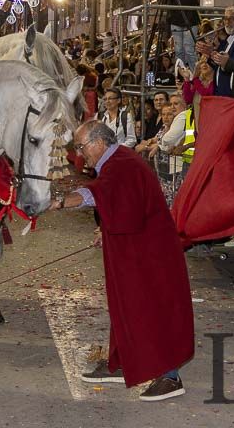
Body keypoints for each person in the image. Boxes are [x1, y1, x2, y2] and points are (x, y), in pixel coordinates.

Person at [56, 121, 193, 401]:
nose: (81, 154)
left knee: (151, 308)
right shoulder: (117, 161)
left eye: (82, 147)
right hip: (137, 247)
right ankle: (126, 362)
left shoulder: (121, 164)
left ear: (98, 143)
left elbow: (100, 194)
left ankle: (170, 376)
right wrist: (104, 229)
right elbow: (119, 201)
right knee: (126, 306)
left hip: (148, 252)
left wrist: (60, 202)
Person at [156, 0, 200, 71]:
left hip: (191, 20)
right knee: (179, 50)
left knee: (189, 49)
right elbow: (166, 1)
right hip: (176, 21)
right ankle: (181, 76)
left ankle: (195, 75)